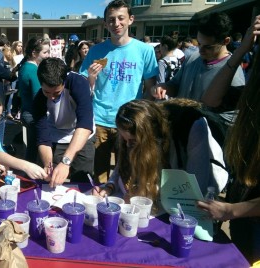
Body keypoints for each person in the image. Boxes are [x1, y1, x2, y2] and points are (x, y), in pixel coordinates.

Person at [197, 15, 260, 264]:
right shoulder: (252, 98)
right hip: (243, 214)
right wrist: (241, 50)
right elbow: (210, 100)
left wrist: (229, 210)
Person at [92, 98, 228, 214]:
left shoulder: (191, 129)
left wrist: (150, 192)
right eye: (124, 139)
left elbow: (195, 189)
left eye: (132, 141)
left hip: (191, 193)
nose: (128, 145)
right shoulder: (131, 128)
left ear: (150, 137)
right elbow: (122, 164)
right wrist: (110, 185)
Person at [79, 0, 158, 184]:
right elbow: (84, 86)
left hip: (130, 121)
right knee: (100, 172)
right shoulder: (96, 51)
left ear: (131, 19)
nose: (116, 24)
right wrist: (91, 77)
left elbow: (150, 88)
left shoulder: (145, 51)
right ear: (105, 23)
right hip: (100, 119)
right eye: (111, 20)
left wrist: (141, 116)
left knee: (129, 172)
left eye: (121, 18)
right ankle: (100, 206)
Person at [150, 12, 245, 126]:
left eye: (208, 47)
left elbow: (230, 120)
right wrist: (163, 87)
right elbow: (175, 84)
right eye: (199, 44)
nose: (200, 50)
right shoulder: (193, 57)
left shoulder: (232, 74)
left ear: (226, 41)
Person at [33, 58, 95, 187]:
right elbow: (43, 138)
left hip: (81, 134)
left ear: (64, 81)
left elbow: (85, 124)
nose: (51, 97)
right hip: (56, 134)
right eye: (47, 92)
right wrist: (48, 165)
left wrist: (65, 162)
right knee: (50, 178)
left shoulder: (79, 83)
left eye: (57, 92)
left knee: (82, 180)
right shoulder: (39, 99)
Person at [16, 37, 50, 163]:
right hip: (34, 114)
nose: (48, 55)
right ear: (34, 53)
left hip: (27, 111)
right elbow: (39, 95)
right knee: (37, 149)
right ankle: (33, 176)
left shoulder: (24, 66)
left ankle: (30, 175)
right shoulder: (33, 70)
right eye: (45, 52)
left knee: (32, 147)